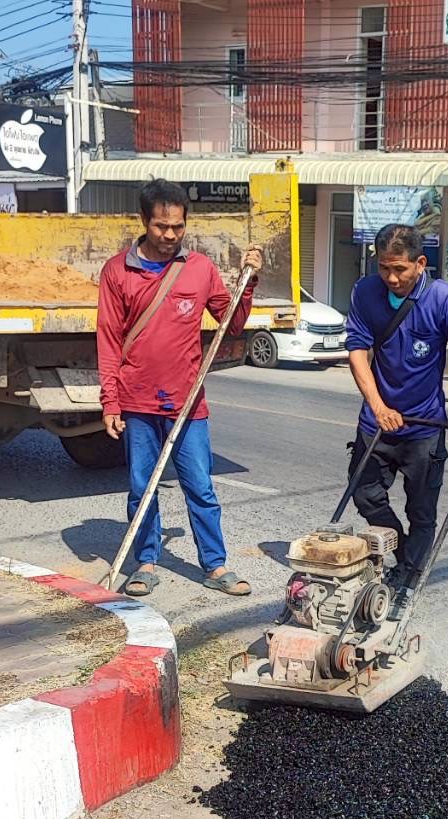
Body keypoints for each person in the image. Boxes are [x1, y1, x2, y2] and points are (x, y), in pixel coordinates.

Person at [96, 179, 261, 597]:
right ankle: (146, 563)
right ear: (143, 221)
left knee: (200, 487)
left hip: (188, 402)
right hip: (137, 400)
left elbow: (231, 324)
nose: (170, 235)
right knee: (142, 487)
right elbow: (109, 340)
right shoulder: (117, 271)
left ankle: (215, 565)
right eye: (161, 226)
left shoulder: (200, 269)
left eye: (178, 226)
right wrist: (110, 401)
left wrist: (248, 282)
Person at [345, 222, 448, 612]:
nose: (392, 278)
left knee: (421, 511)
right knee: (364, 494)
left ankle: (407, 577)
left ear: (420, 263)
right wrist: (378, 407)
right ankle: (407, 553)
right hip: (377, 422)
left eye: (400, 269)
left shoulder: (444, 299)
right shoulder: (365, 292)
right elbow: (357, 351)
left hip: (424, 427)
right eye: (384, 268)